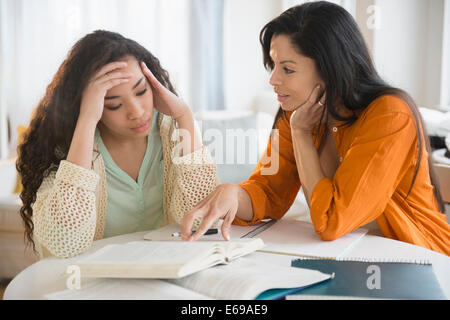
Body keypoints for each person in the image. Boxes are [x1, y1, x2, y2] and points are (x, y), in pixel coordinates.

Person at [181, 1, 450, 255]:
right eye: (273, 65)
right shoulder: (295, 112)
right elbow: (269, 192)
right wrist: (233, 193)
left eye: (287, 69)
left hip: (418, 256)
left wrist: (301, 135)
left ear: (329, 68)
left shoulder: (390, 114)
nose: (273, 79)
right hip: (346, 255)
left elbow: (332, 220)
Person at [17, 30, 218, 259]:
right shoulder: (68, 148)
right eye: (113, 105)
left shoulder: (172, 130)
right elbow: (66, 243)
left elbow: (201, 222)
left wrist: (184, 115)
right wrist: (87, 120)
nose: (137, 112)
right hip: (93, 281)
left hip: (165, 268)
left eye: (141, 91)